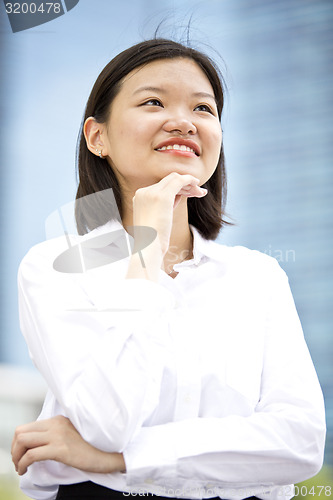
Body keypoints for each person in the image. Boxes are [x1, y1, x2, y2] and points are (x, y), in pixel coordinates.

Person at [11, 38, 326, 500]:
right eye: (153, 102)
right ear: (98, 137)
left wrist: (119, 460)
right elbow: (108, 423)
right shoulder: (56, 267)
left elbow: (299, 444)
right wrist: (147, 245)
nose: (184, 121)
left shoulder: (256, 276)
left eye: (204, 109)